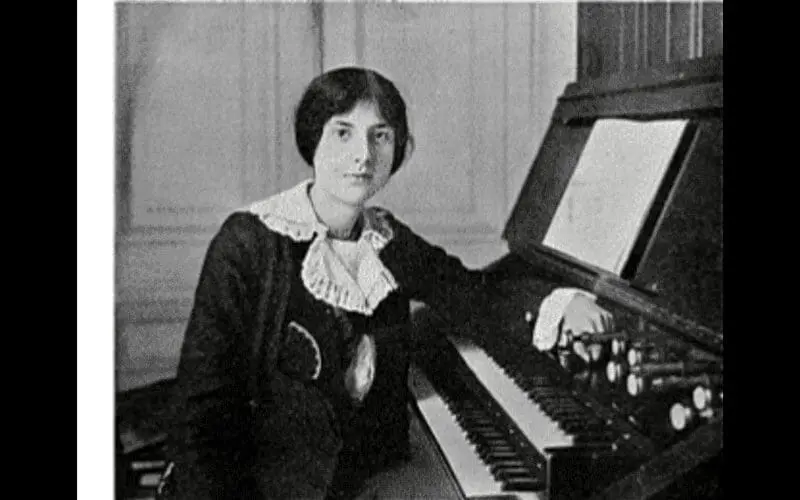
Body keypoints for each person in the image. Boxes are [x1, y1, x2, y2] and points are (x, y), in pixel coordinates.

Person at [161, 66, 614, 500]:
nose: (363, 155)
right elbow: (201, 422)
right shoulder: (248, 242)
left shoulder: (388, 240)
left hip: (371, 484)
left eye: (380, 136)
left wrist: (559, 303)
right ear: (313, 140)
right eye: (343, 133)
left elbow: (474, 294)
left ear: (398, 149)